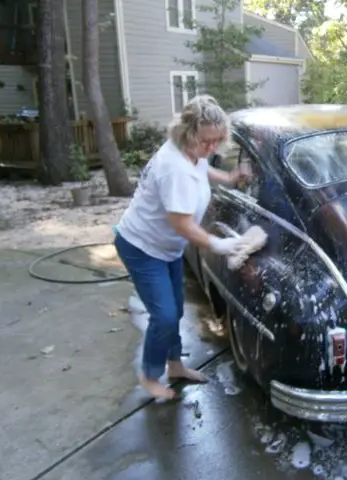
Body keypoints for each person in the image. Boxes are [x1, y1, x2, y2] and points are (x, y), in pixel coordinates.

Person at [114, 95, 250, 400]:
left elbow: (203, 168)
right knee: (163, 315)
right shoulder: (173, 169)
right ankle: (149, 375)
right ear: (188, 133)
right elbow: (183, 226)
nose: (212, 148)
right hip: (142, 247)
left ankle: (175, 366)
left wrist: (229, 178)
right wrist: (221, 244)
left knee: (173, 310)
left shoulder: (192, 151)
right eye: (207, 141)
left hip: (166, 248)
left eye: (218, 141)